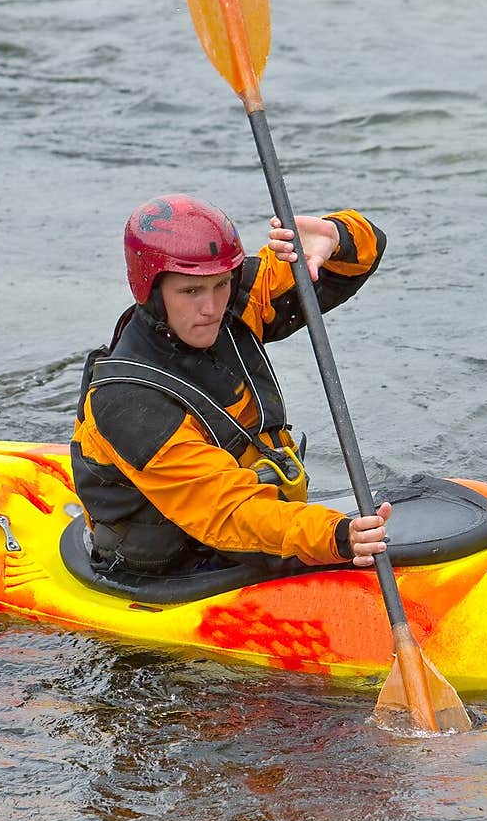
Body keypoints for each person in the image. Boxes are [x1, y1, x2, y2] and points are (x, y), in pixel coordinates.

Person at [71, 193, 391, 578]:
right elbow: (229, 513)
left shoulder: (235, 301)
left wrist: (336, 238)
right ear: (151, 291)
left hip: (256, 530)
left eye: (221, 285)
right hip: (175, 566)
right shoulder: (126, 404)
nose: (211, 308)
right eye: (190, 292)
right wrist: (336, 537)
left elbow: (358, 259)